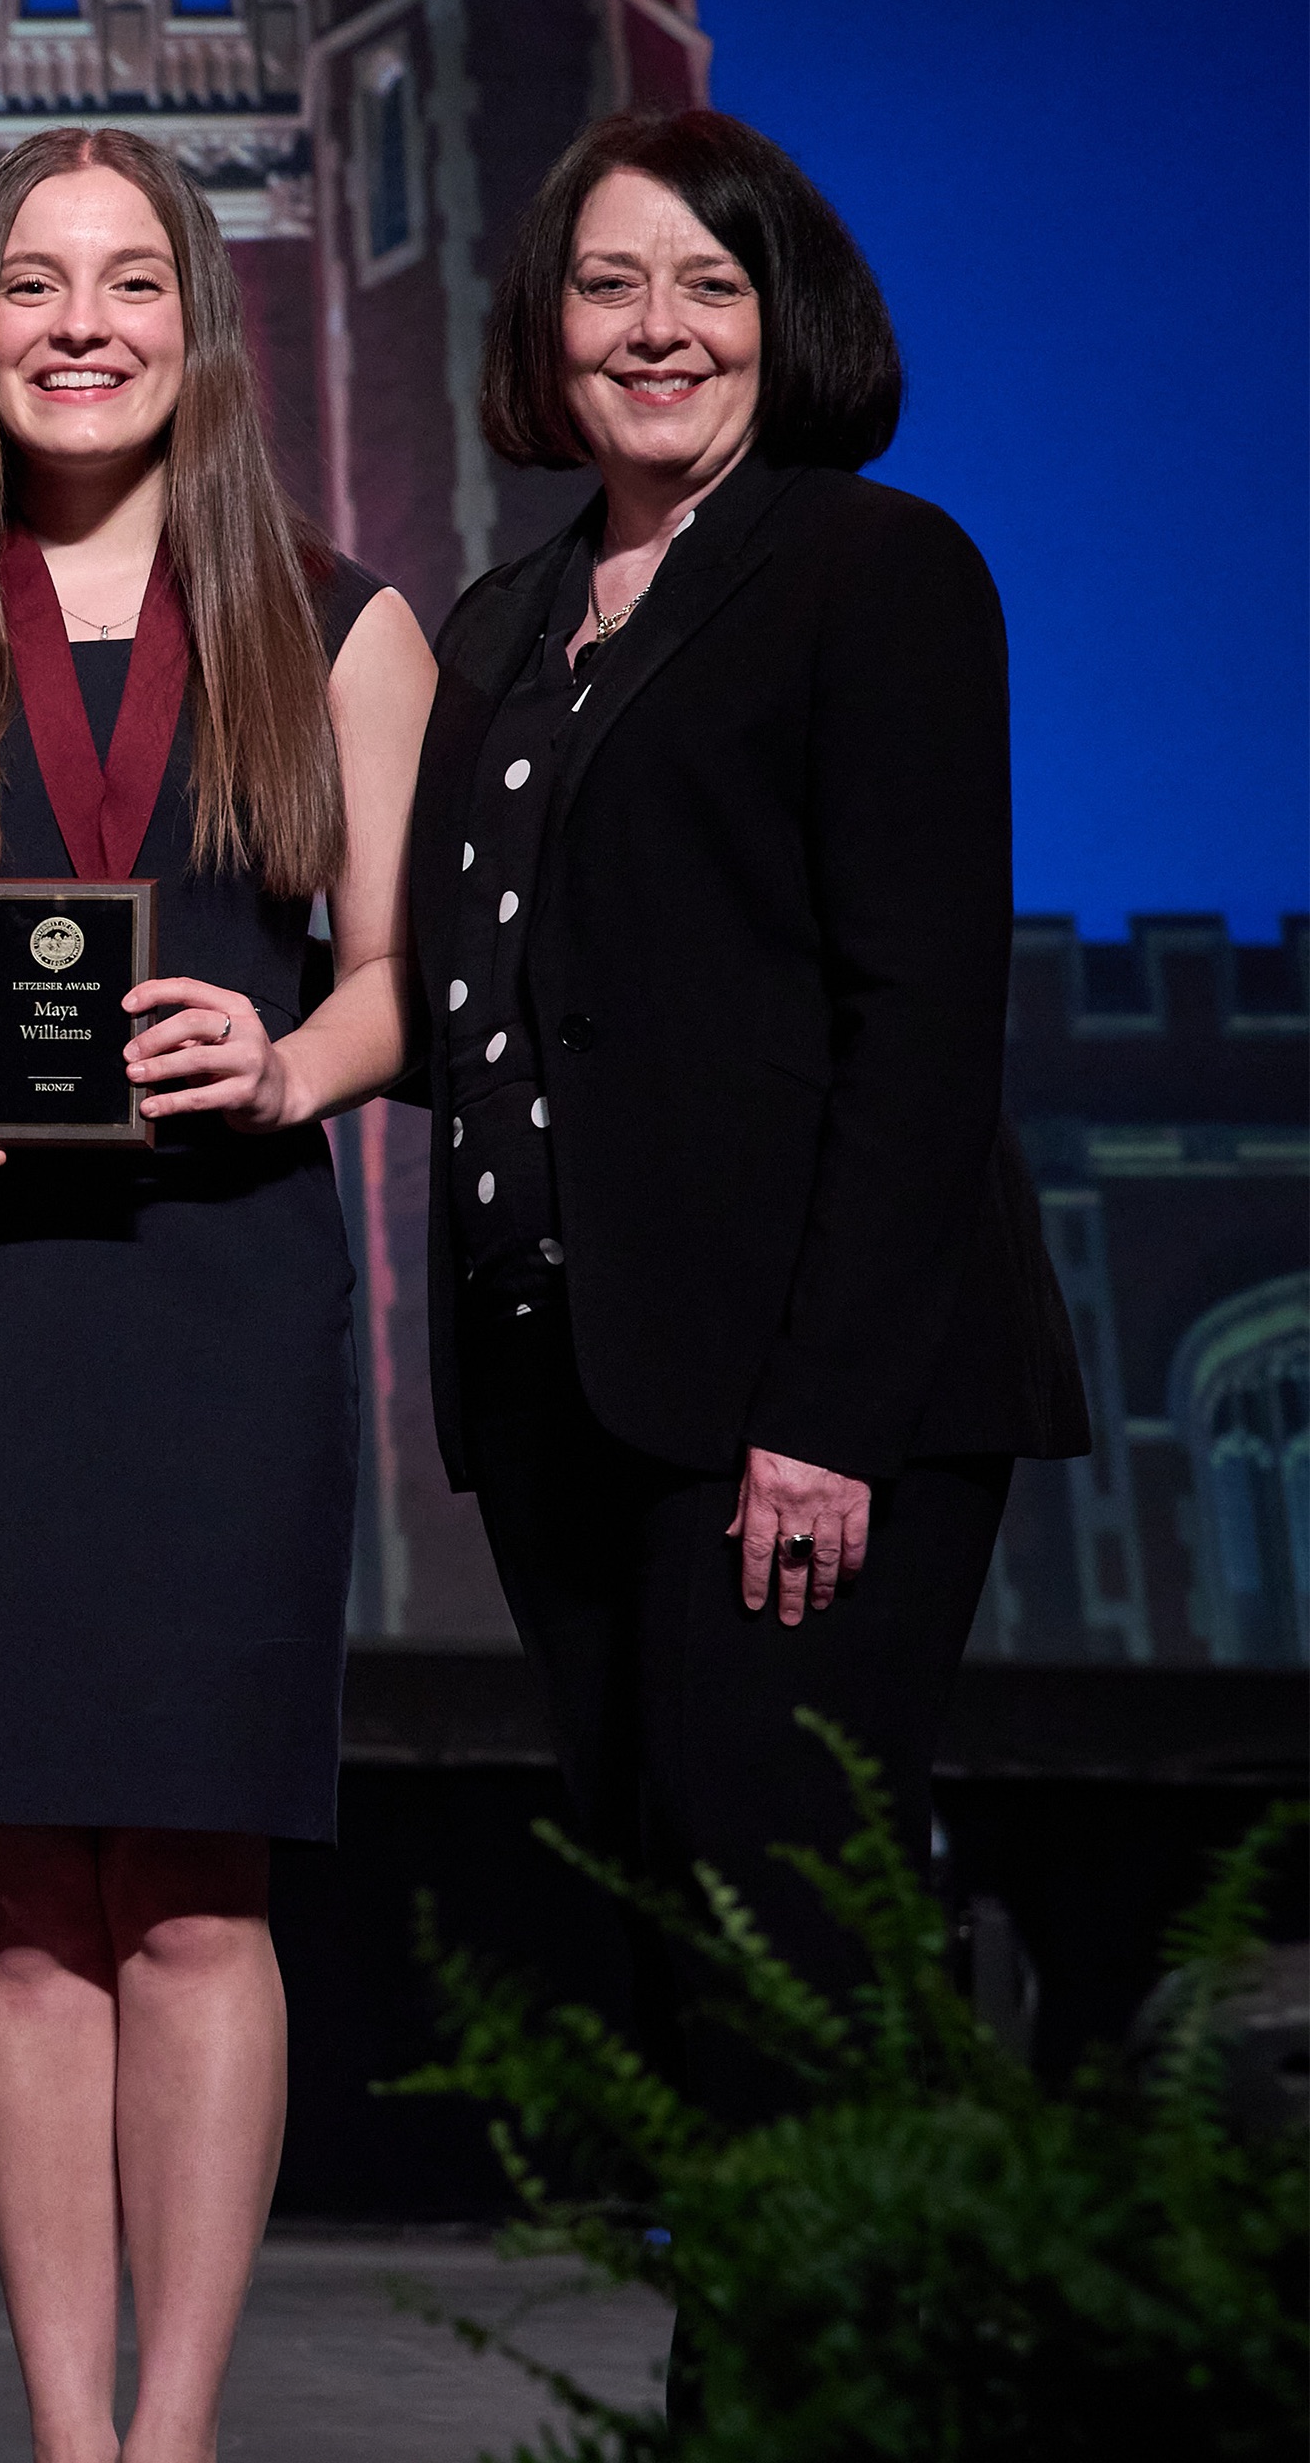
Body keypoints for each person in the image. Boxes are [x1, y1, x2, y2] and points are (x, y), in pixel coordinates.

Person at [0, 127, 435, 2463]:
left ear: (198, 320)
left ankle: (173, 2438)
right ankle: (69, 2439)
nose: (84, 323)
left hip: (217, 1294)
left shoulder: (342, 622)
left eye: (132, 279)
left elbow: (403, 984)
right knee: (21, 1906)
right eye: (38, 282)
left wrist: (286, 1062)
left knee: (193, 1887)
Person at [419, 109, 1085, 2110]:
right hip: (569, 1392)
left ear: (787, 319)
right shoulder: (500, 622)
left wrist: (827, 1417)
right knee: (667, 1941)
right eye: (608, 283)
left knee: (782, 1951)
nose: (658, 328)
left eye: (710, 284)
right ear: (544, 326)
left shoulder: (876, 570)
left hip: (796, 1409)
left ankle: (848, 2317)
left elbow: (924, 1023)